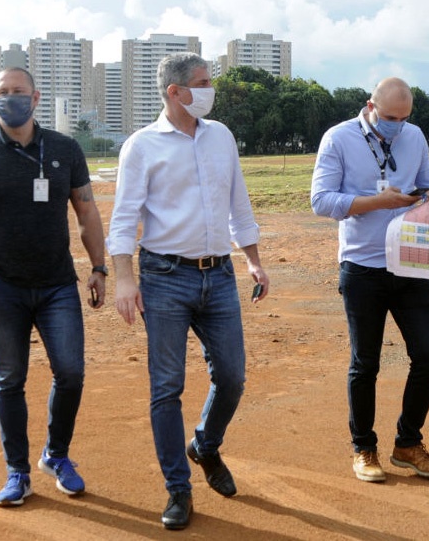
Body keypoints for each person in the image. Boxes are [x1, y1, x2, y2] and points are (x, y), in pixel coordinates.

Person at [107, 52, 269, 531]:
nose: (209, 90)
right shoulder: (141, 146)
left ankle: (205, 445)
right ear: (174, 92)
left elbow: (239, 202)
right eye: (201, 83)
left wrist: (254, 260)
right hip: (163, 277)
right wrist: (123, 276)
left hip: (217, 275)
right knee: (166, 387)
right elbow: (123, 218)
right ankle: (178, 489)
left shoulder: (220, 137)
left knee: (233, 377)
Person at [0, 67, 107, 507]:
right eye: (2, 93)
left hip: (57, 286)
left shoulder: (65, 149)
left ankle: (56, 455)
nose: (9, 99)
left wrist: (99, 267)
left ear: (35, 98)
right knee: (9, 379)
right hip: (1, 287)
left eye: (18, 92)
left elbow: (86, 213)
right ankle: (18, 472)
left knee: (70, 373)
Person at [311, 76, 429, 483]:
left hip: (411, 262)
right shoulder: (338, 139)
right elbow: (320, 200)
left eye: (404, 119)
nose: (397, 125)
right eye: (390, 117)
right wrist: (378, 202)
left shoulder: (414, 135)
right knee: (365, 363)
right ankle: (364, 449)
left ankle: (407, 443)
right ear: (370, 105)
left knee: (428, 356)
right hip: (362, 267)